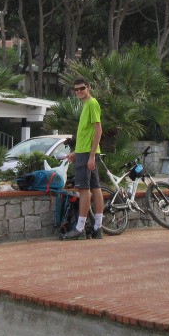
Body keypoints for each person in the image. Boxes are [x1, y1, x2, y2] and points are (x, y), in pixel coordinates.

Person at [60, 77, 104, 240]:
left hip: (88, 154)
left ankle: (79, 228)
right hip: (84, 153)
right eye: (76, 89)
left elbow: (98, 130)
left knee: (83, 190)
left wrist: (91, 156)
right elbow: (87, 134)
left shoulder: (92, 104)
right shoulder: (87, 105)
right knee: (95, 188)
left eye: (82, 88)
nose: (79, 91)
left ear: (89, 88)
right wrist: (77, 152)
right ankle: (98, 227)